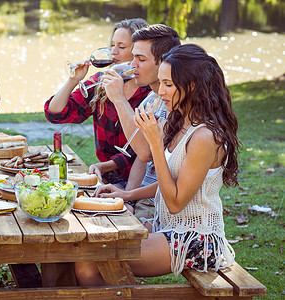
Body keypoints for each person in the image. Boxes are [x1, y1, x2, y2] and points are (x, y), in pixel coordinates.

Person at [75, 43, 240, 285]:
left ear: (192, 86)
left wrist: (155, 144)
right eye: (160, 82)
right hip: (167, 228)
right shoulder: (179, 120)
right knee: (83, 247)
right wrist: (127, 193)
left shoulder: (205, 137)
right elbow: (172, 181)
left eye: (168, 84)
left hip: (195, 239)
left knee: (89, 258)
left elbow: (175, 201)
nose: (160, 91)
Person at [44, 18, 150, 187]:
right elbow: (55, 114)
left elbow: (141, 152)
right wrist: (73, 80)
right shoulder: (101, 83)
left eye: (121, 47)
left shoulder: (151, 93)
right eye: (112, 45)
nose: (113, 52)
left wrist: (104, 167)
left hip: (142, 182)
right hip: (107, 177)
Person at [93, 24, 180, 220]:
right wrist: (127, 201)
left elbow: (145, 152)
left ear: (164, 63)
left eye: (140, 59)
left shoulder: (174, 105)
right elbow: (141, 160)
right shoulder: (150, 99)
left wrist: (119, 99)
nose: (133, 65)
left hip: (160, 202)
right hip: (141, 195)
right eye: (133, 57)